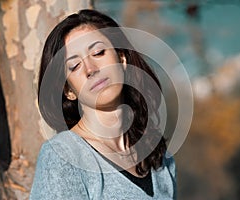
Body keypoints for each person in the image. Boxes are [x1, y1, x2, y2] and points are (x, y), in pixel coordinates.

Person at [30, 9, 176, 200]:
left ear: (122, 59)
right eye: (75, 66)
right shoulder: (62, 156)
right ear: (69, 91)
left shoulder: (159, 155)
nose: (91, 69)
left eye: (98, 53)